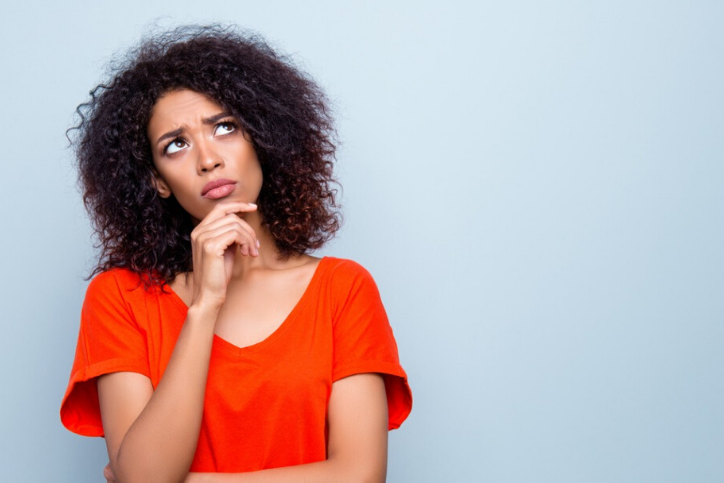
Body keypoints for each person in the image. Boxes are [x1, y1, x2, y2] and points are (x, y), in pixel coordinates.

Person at [60, 25, 412, 482]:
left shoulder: (342, 290)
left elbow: (361, 475)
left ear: (262, 138)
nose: (207, 159)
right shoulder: (120, 298)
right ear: (158, 181)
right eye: (176, 145)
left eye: (225, 127)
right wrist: (205, 308)